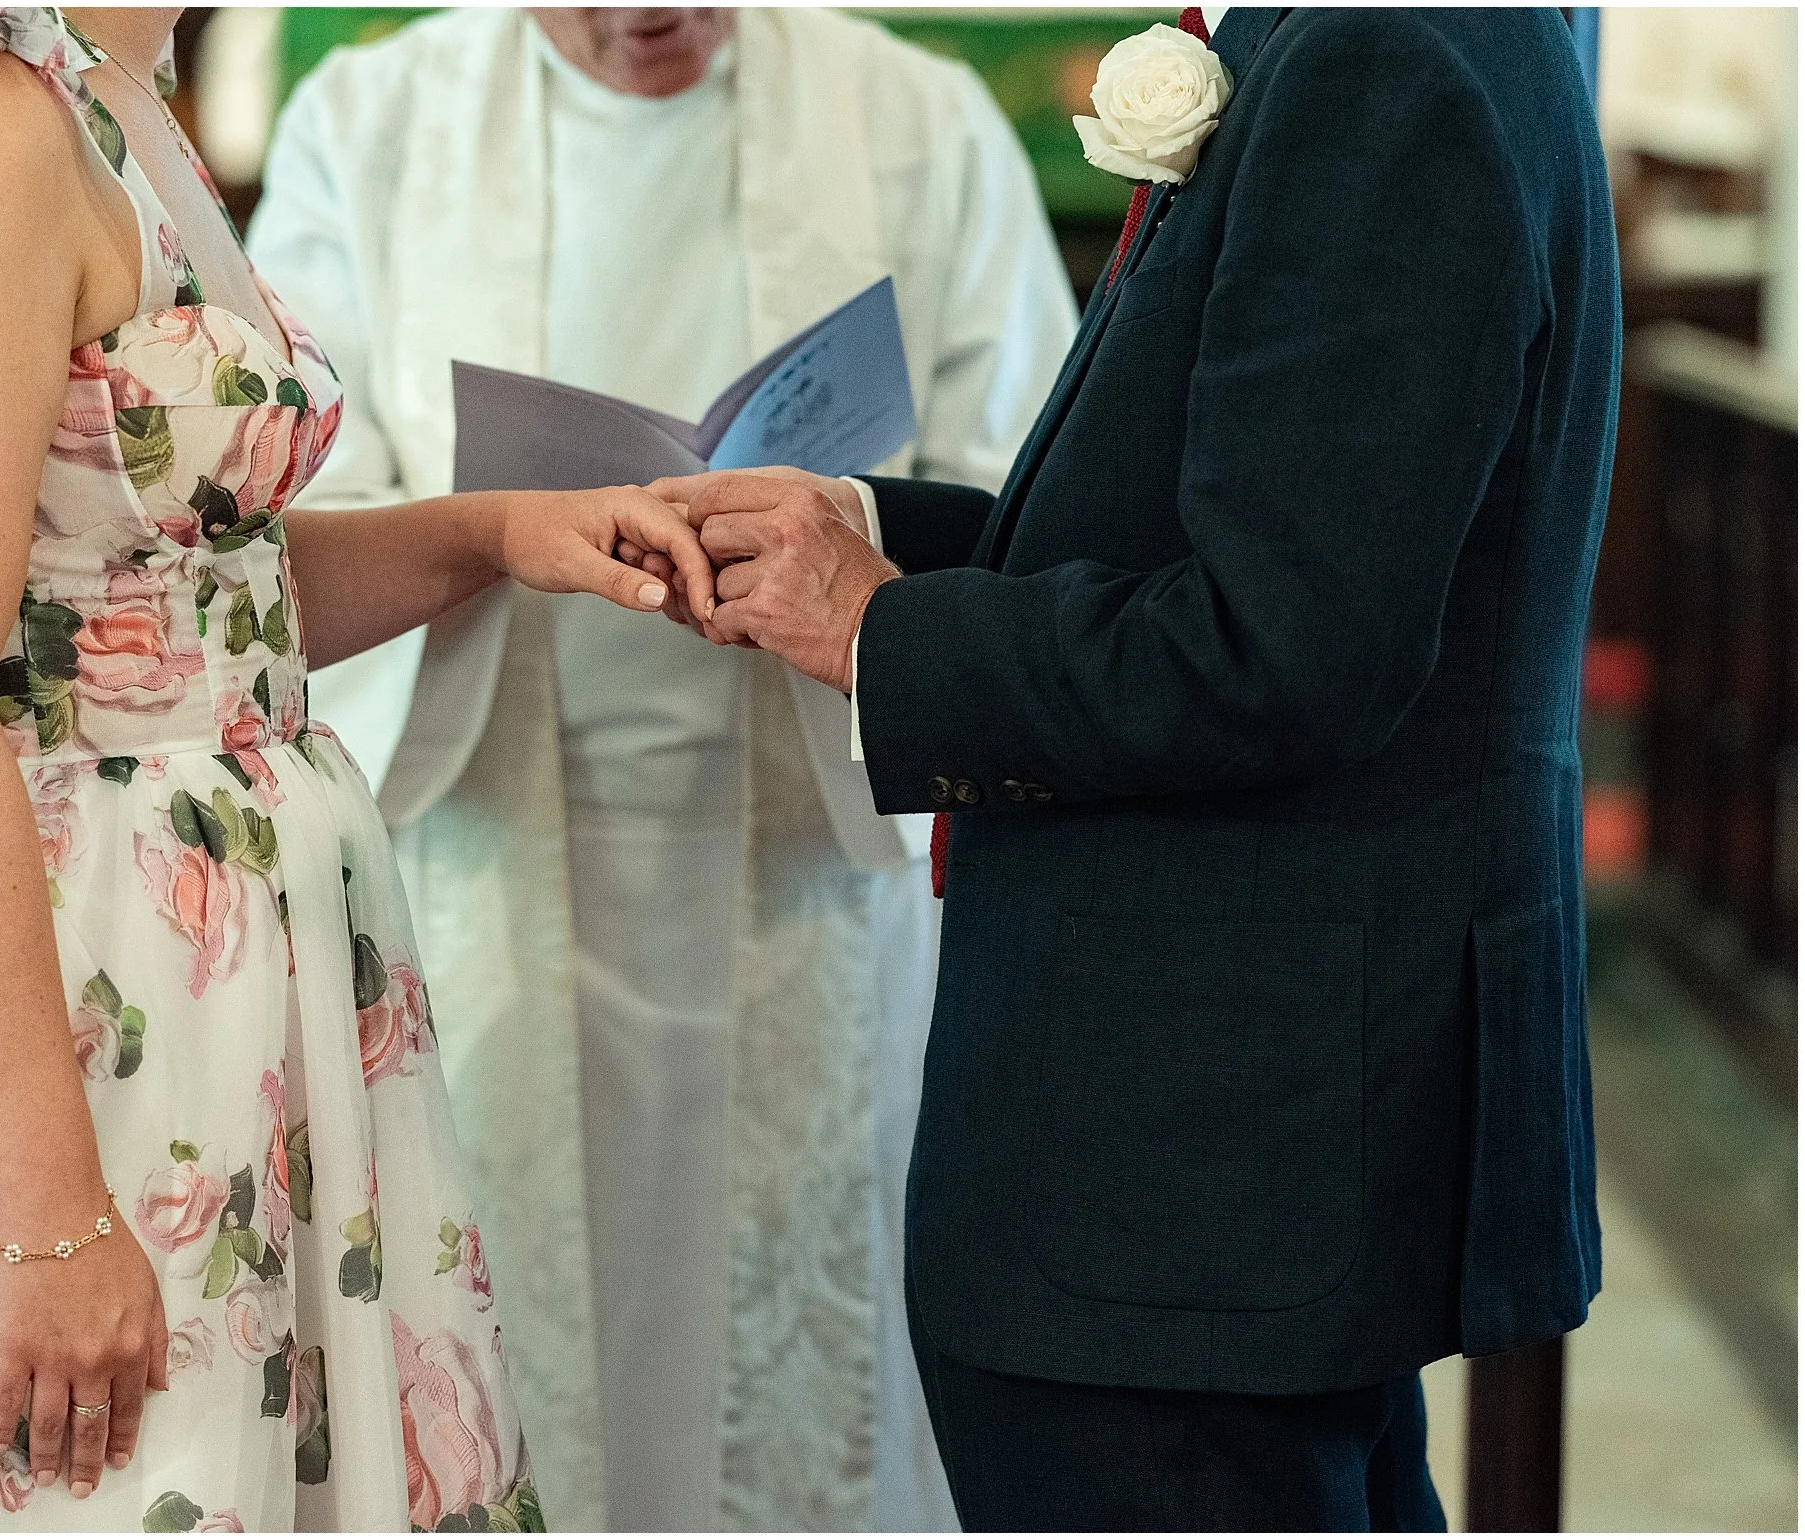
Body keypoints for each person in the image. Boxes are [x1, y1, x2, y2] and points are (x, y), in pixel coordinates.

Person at [0, 7, 717, 1532]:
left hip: (223, 984)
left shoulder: (117, 94)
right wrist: (46, 1219)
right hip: (63, 980)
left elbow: (165, 608)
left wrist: (492, 535)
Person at [645, 6, 1618, 1530]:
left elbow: (1284, 649)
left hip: (1194, 1174)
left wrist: (883, 637)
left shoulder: (1385, 57)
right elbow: (1244, 535)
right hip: (1231, 1163)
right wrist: (864, 539)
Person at [245, 7, 1075, 1530]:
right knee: (524, 1345)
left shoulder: (918, 119)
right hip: (493, 838)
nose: (647, 20)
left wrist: (840, 548)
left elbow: (1033, 478)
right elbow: (290, 503)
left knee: (813, 1367)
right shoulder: (369, 123)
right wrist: (501, 530)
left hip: (809, 852)